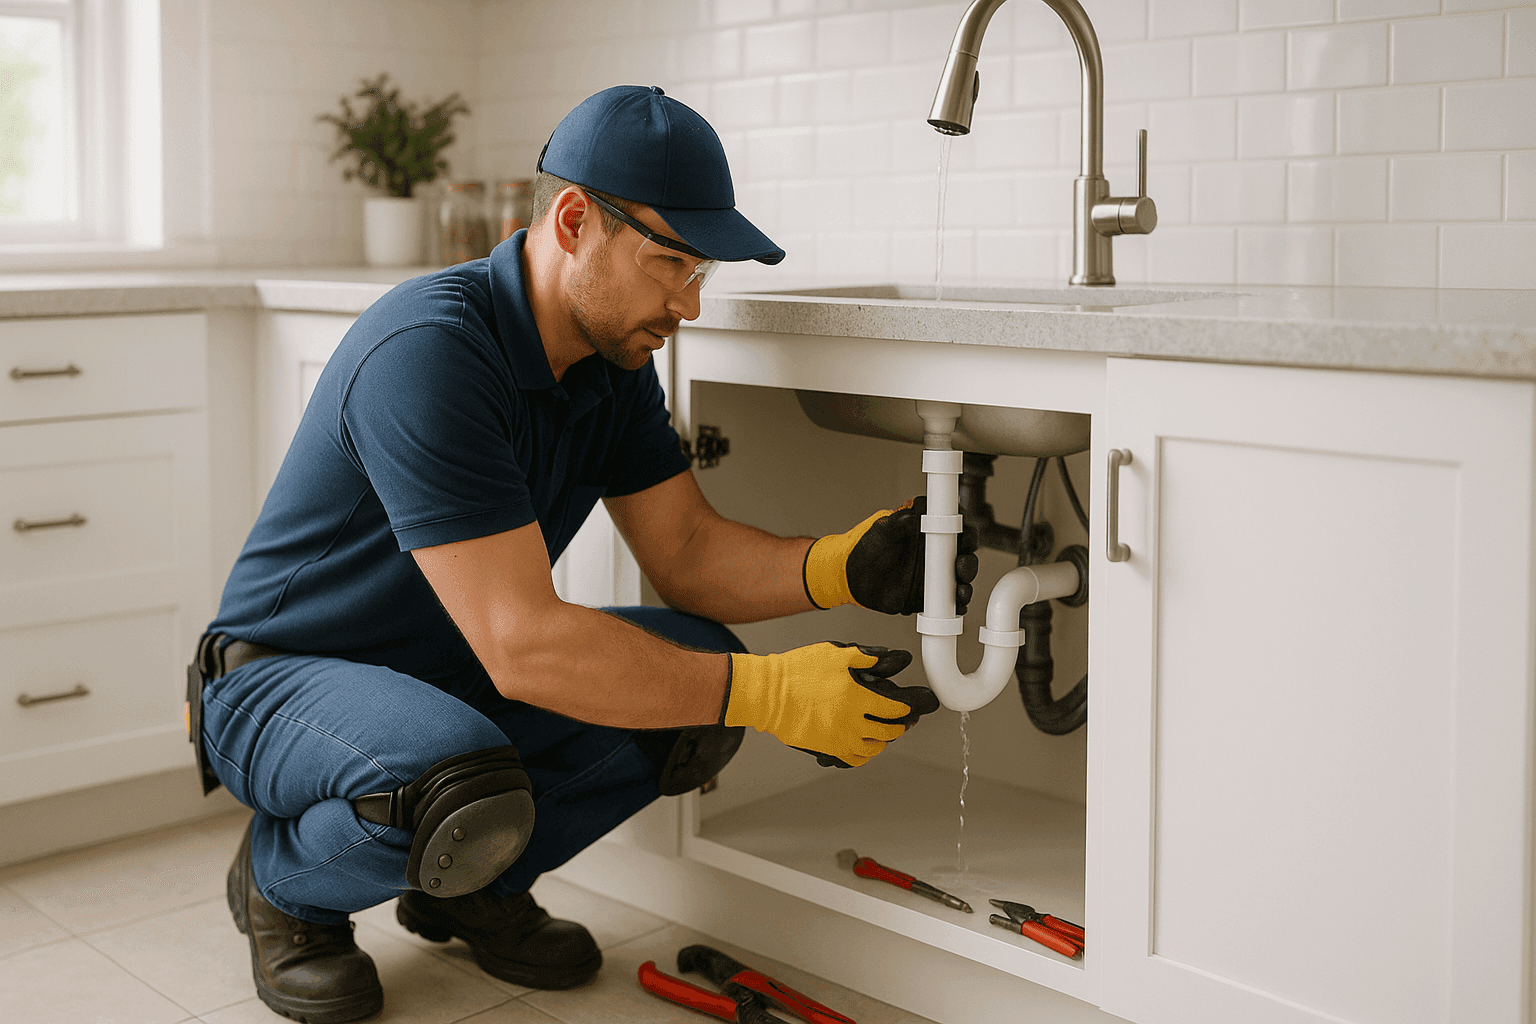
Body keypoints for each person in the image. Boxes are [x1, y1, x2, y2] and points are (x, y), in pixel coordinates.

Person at [189, 85, 978, 1024]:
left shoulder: (611, 366)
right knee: (463, 774)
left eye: (701, 272)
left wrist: (839, 566)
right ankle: (285, 889)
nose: (687, 303)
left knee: (696, 677)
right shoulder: (432, 352)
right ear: (574, 223)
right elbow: (525, 645)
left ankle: (469, 887)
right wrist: (774, 694)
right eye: (671, 262)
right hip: (283, 682)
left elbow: (685, 553)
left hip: (453, 676)